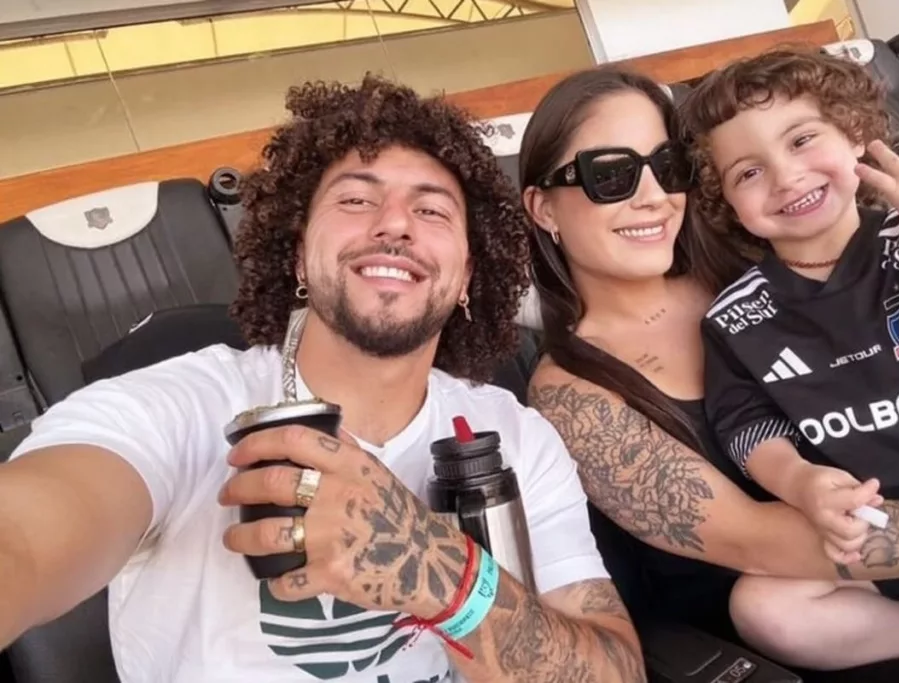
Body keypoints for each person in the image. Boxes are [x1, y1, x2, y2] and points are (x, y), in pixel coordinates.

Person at [0, 75, 644, 683]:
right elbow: (24, 538)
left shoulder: (518, 436)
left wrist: (444, 575)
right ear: (299, 251)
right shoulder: (177, 412)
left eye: (433, 211)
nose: (394, 223)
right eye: (357, 199)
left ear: (469, 277)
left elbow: (618, 670)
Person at [519, 64, 899, 679]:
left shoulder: (782, 261)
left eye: (667, 166)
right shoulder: (573, 387)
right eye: (611, 175)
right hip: (823, 628)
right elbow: (760, 541)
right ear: (544, 207)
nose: (652, 195)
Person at [685, 48, 899, 673]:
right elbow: (747, 424)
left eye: (803, 139)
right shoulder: (735, 315)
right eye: (748, 173)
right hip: (878, 543)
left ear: (856, 136)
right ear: (725, 203)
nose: (785, 177)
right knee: (763, 607)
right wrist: (799, 481)